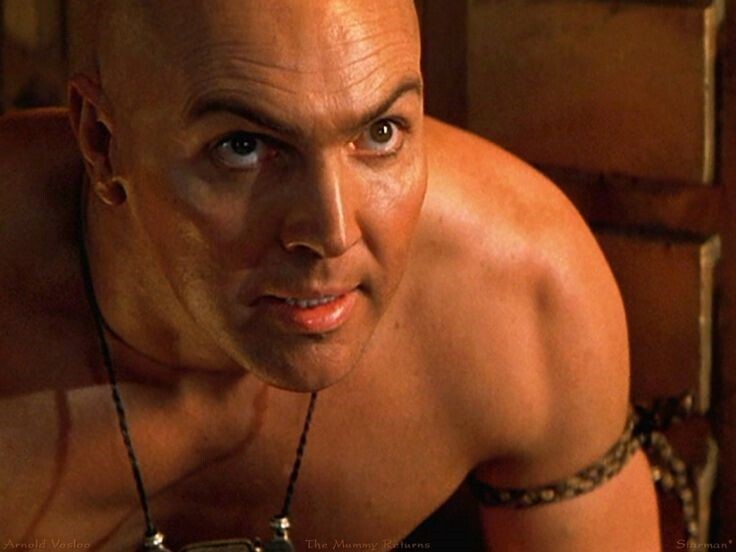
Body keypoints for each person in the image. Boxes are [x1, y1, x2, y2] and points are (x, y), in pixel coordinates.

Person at [0, 1, 661, 550]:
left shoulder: (521, 294)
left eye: (380, 132)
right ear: (102, 143)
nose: (333, 232)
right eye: (243, 147)